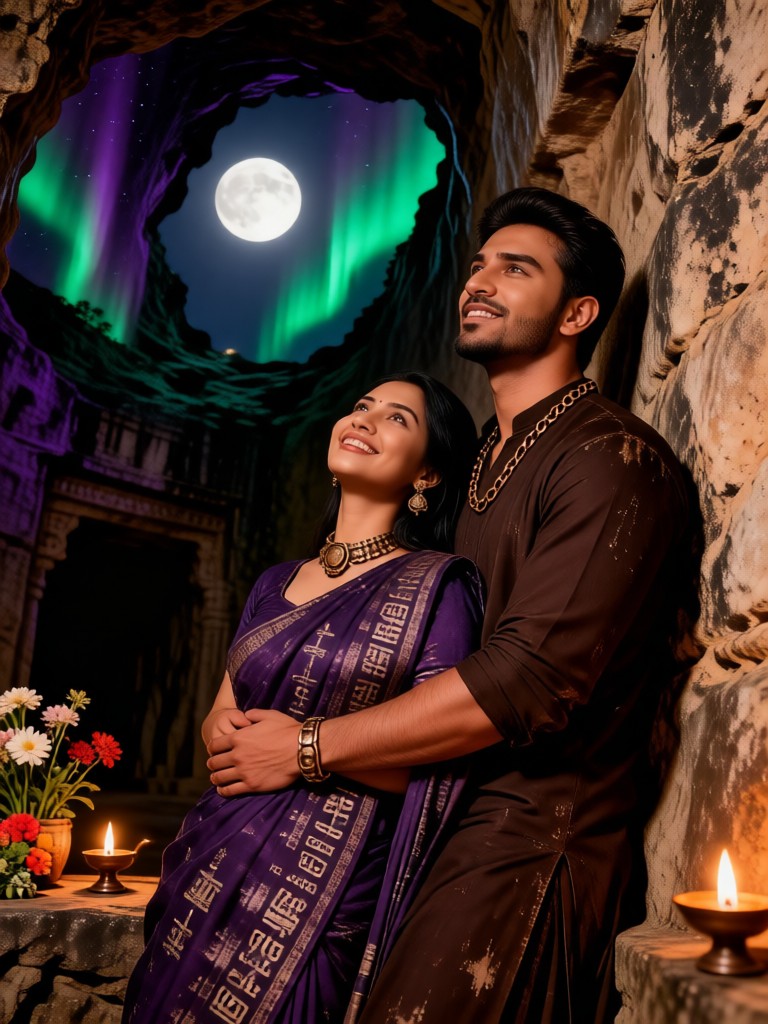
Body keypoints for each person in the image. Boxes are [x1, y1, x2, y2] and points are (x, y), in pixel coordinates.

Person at [212, 187, 690, 1023]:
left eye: (516, 269)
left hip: (531, 847)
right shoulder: (476, 471)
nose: (479, 281)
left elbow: (527, 682)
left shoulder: (611, 459)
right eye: (477, 265)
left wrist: (309, 747)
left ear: (578, 313)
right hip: (430, 825)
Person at [121, 371, 483, 1024]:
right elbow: (223, 706)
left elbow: (444, 765)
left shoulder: (438, 588)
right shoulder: (274, 583)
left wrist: (299, 754)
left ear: (427, 474)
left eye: (397, 418)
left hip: (325, 890)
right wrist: (224, 734)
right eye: (361, 405)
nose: (364, 419)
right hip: (216, 855)